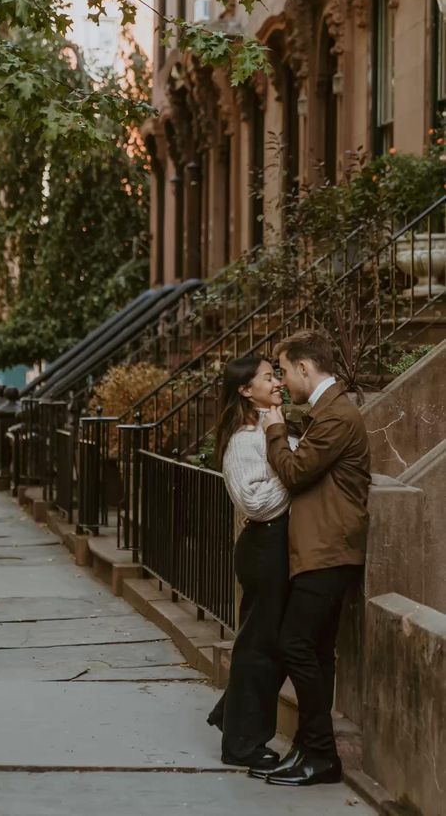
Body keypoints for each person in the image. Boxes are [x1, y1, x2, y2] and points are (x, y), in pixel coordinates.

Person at [250, 329, 371, 787]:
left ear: (305, 367)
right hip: (322, 548)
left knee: (295, 644)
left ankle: (321, 752)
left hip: (329, 549)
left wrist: (275, 427)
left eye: (282, 370)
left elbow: (297, 472)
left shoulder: (337, 415)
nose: (281, 380)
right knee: (316, 651)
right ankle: (311, 748)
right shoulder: (327, 412)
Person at [208, 356, 299, 769]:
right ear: (246, 390)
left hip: (274, 547)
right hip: (264, 546)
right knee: (260, 647)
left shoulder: (267, 425)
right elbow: (256, 503)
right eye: (269, 376)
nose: (277, 381)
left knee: (266, 644)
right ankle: (241, 745)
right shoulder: (246, 437)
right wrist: (293, 470)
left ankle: (233, 721)